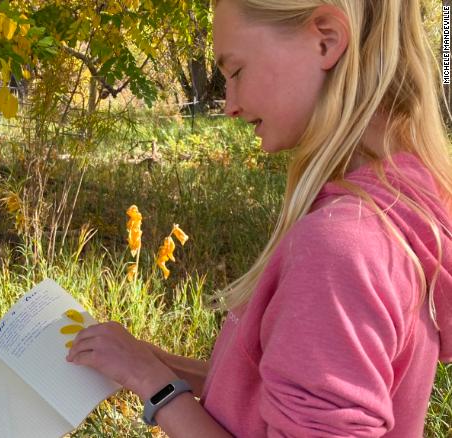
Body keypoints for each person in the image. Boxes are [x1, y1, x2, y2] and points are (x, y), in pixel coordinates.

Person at [66, 0, 452, 436]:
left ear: (326, 39)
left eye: (236, 71)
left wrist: (152, 384)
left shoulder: (341, 247)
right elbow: (275, 388)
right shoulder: (403, 200)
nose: (230, 105)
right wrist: (155, 361)